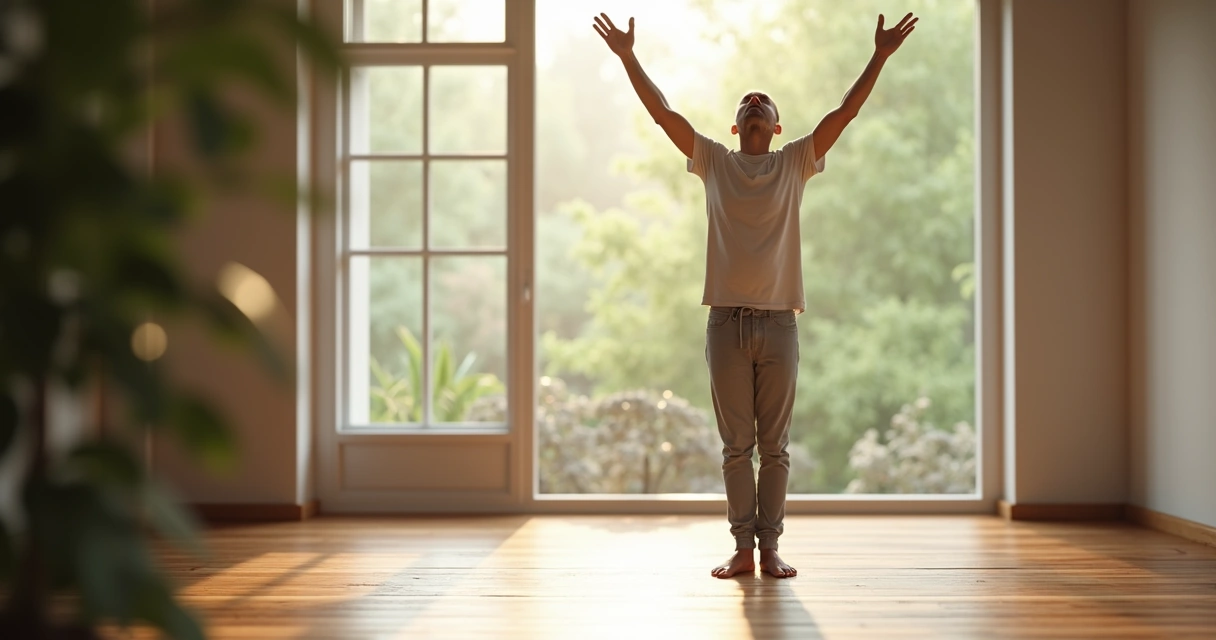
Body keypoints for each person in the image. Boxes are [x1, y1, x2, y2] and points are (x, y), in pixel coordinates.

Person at [592, 10, 918, 578]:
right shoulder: (715, 161)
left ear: (776, 124)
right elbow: (664, 113)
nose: (754, 101)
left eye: (762, 100)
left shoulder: (795, 163)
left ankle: (771, 549)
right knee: (736, 446)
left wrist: (880, 56)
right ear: (738, 126)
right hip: (725, 324)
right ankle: (743, 548)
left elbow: (846, 111)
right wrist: (627, 58)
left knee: (777, 446)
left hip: (778, 325)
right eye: (746, 101)